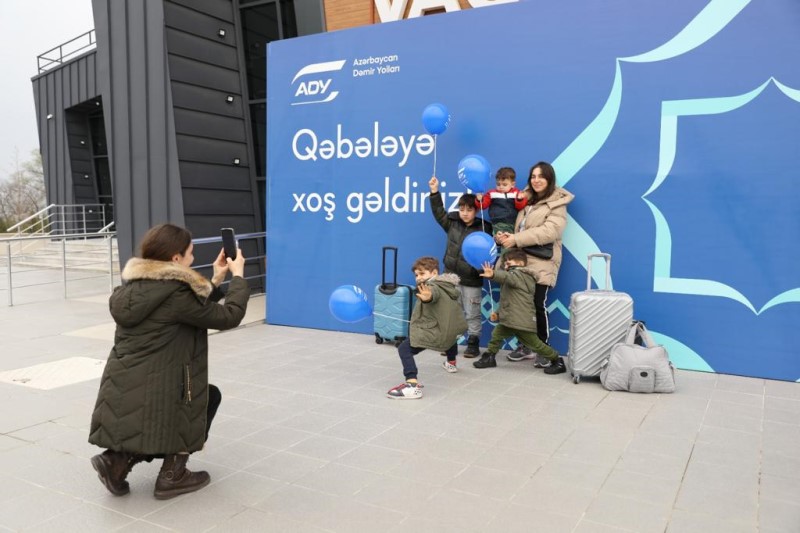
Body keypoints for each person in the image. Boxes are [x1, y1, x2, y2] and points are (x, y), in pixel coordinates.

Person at [88, 223, 250, 499]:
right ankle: (172, 475)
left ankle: (117, 462)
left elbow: (187, 306)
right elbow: (229, 316)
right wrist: (238, 277)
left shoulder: (133, 289)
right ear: (175, 258)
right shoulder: (176, 295)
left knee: (172, 403)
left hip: (123, 385)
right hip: (159, 387)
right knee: (202, 398)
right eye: (189, 254)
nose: (193, 259)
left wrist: (215, 279)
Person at [496, 162, 573, 371]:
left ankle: (543, 349)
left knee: (537, 304)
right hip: (520, 261)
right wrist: (505, 235)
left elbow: (550, 232)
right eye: (533, 176)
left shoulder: (557, 203)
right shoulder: (524, 200)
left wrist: (516, 239)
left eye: (541, 176)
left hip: (542, 261)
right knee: (521, 306)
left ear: (550, 179)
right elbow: (517, 227)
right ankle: (525, 346)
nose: (536, 180)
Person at [429, 176, 492, 358]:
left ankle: (473, 343)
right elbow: (438, 212)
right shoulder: (452, 223)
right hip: (450, 277)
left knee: (472, 312)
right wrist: (434, 192)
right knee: (453, 312)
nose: (465, 213)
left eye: (469, 209)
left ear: (476, 210)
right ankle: (451, 343)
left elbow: (492, 250)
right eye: (461, 209)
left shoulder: (484, 228)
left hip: (472, 279)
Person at [387, 257, 467, 399]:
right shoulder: (448, 286)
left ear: (434, 272)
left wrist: (428, 297)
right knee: (449, 338)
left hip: (438, 333)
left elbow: (432, 295)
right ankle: (451, 362)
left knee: (404, 349)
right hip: (453, 330)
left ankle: (412, 385)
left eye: (422, 274)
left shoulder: (432, 287)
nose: (418, 278)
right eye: (416, 275)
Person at [472, 249, 564, 373]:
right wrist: (498, 313)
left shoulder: (521, 276)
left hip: (521, 321)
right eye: (505, 264)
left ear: (520, 264)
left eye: (509, 263)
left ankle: (557, 360)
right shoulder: (514, 277)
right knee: (496, 335)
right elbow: (508, 301)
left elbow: (506, 276)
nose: (506, 266)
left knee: (536, 345)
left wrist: (493, 274)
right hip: (512, 319)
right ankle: (490, 357)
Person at [475, 167, 526, 237]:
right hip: (499, 223)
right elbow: (483, 205)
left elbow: (520, 207)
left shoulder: (517, 193)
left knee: (512, 243)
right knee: (504, 242)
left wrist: (520, 199)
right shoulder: (491, 193)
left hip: (514, 223)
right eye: (498, 184)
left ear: (513, 184)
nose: (501, 187)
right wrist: (479, 199)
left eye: (504, 184)